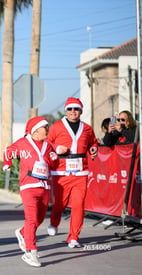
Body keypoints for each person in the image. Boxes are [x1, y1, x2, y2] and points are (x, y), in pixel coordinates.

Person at [2, 117, 57, 267]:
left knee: (39, 220)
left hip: (44, 186)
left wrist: (54, 157)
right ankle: (30, 252)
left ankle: (22, 232)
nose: (48, 129)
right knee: (32, 219)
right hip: (28, 187)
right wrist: (7, 163)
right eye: (45, 127)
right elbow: (9, 151)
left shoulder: (48, 145)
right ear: (36, 130)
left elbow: (53, 163)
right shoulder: (23, 143)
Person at [47, 97, 98, 248]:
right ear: (66, 111)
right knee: (60, 204)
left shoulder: (87, 128)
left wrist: (94, 149)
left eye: (76, 109)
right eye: (70, 109)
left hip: (81, 172)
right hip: (61, 171)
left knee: (78, 205)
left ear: (81, 111)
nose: (73, 112)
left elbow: (93, 142)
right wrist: (57, 148)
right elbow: (47, 144)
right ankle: (54, 222)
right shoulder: (56, 126)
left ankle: (74, 237)